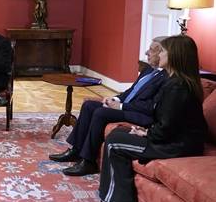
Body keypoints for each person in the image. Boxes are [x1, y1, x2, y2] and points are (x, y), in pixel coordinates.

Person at [99, 35, 208, 202]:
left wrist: (148, 134)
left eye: (163, 51)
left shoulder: (177, 87)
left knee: (114, 141)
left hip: (178, 146)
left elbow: (168, 127)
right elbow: (170, 121)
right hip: (174, 139)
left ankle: (119, 200)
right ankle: (117, 195)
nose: (160, 54)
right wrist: (146, 130)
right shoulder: (175, 82)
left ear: (175, 56)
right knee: (120, 133)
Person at [49, 37, 168, 176]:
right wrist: (114, 98)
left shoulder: (166, 77)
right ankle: (76, 150)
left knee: (101, 113)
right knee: (89, 105)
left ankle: (88, 162)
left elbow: (149, 106)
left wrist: (121, 106)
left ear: (162, 53)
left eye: (152, 50)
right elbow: (131, 91)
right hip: (127, 106)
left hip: (141, 115)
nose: (147, 52)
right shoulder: (148, 70)